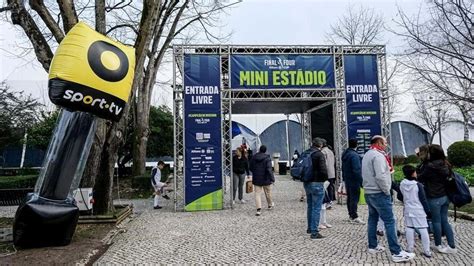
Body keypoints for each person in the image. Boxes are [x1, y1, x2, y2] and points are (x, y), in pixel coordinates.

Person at [362, 135, 415, 263]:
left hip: (369, 192)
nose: (386, 145)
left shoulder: (367, 154)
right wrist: (386, 190)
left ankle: (373, 245)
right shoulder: (378, 156)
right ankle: (396, 252)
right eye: (385, 142)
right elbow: (380, 176)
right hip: (379, 192)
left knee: (372, 219)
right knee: (390, 222)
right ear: (379, 143)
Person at [417, 144, 457, 254]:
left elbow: (420, 177)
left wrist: (421, 164)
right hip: (445, 196)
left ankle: (438, 245)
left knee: (436, 221)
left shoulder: (430, 166)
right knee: (445, 221)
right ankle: (452, 246)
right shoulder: (445, 163)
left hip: (434, 197)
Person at [399, 165, 432, 258]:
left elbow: (400, 196)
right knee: (423, 229)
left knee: (409, 228)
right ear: (413, 173)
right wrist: (428, 211)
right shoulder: (418, 185)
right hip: (418, 210)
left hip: (408, 209)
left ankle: (409, 248)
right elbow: (423, 200)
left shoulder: (402, 183)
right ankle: (427, 251)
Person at [304, 137, 328, 239]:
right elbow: (323, 170)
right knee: (317, 207)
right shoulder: (319, 154)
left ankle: (309, 227)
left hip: (307, 182)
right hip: (317, 182)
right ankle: (314, 231)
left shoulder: (306, 153)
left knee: (310, 206)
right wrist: (325, 179)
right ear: (321, 145)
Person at [341, 139, 365, 224]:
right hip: (354, 179)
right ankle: (354, 216)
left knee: (350, 197)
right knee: (355, 198)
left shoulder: (345, 154)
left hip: (348, 178)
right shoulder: (354, 155)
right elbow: (357, 169)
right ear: (357, 145)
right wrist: (361, 181)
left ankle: (351, 215)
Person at [249, 145, 275, 216]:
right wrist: (272, 178)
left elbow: (250, 167)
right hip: (266, 178)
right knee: (268, 192)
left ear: (259, 150)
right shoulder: (267, 158)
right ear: (265, 150)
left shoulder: (254, 157)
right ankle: (270, 205)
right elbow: (269, 169)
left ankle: (258, 209)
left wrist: (255, 172)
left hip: (257, 178)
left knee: (257, 194)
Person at [321, 139, 336, 207]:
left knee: (325, 187)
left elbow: (324, 163)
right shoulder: (330, 151)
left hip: (326, 172)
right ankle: (331, 199)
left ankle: (328, 201)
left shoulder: (323, 152)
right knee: (331, 187)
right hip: (332, 171)